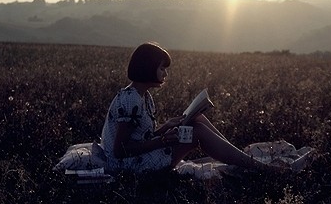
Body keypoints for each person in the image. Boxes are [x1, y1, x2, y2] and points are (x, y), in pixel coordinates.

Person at [100, 42, 281, 174]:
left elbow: (140, 136)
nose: (165, 73)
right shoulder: (131, 100)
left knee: (197, 119)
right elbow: (121, 150)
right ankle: (258, 167)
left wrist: (165, 127)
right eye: (162, 68)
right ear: (148, 68)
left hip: (136, 157)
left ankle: (239, 158)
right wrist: (162, 141)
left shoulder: (142, 95)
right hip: (127, 164)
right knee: (198, 132)